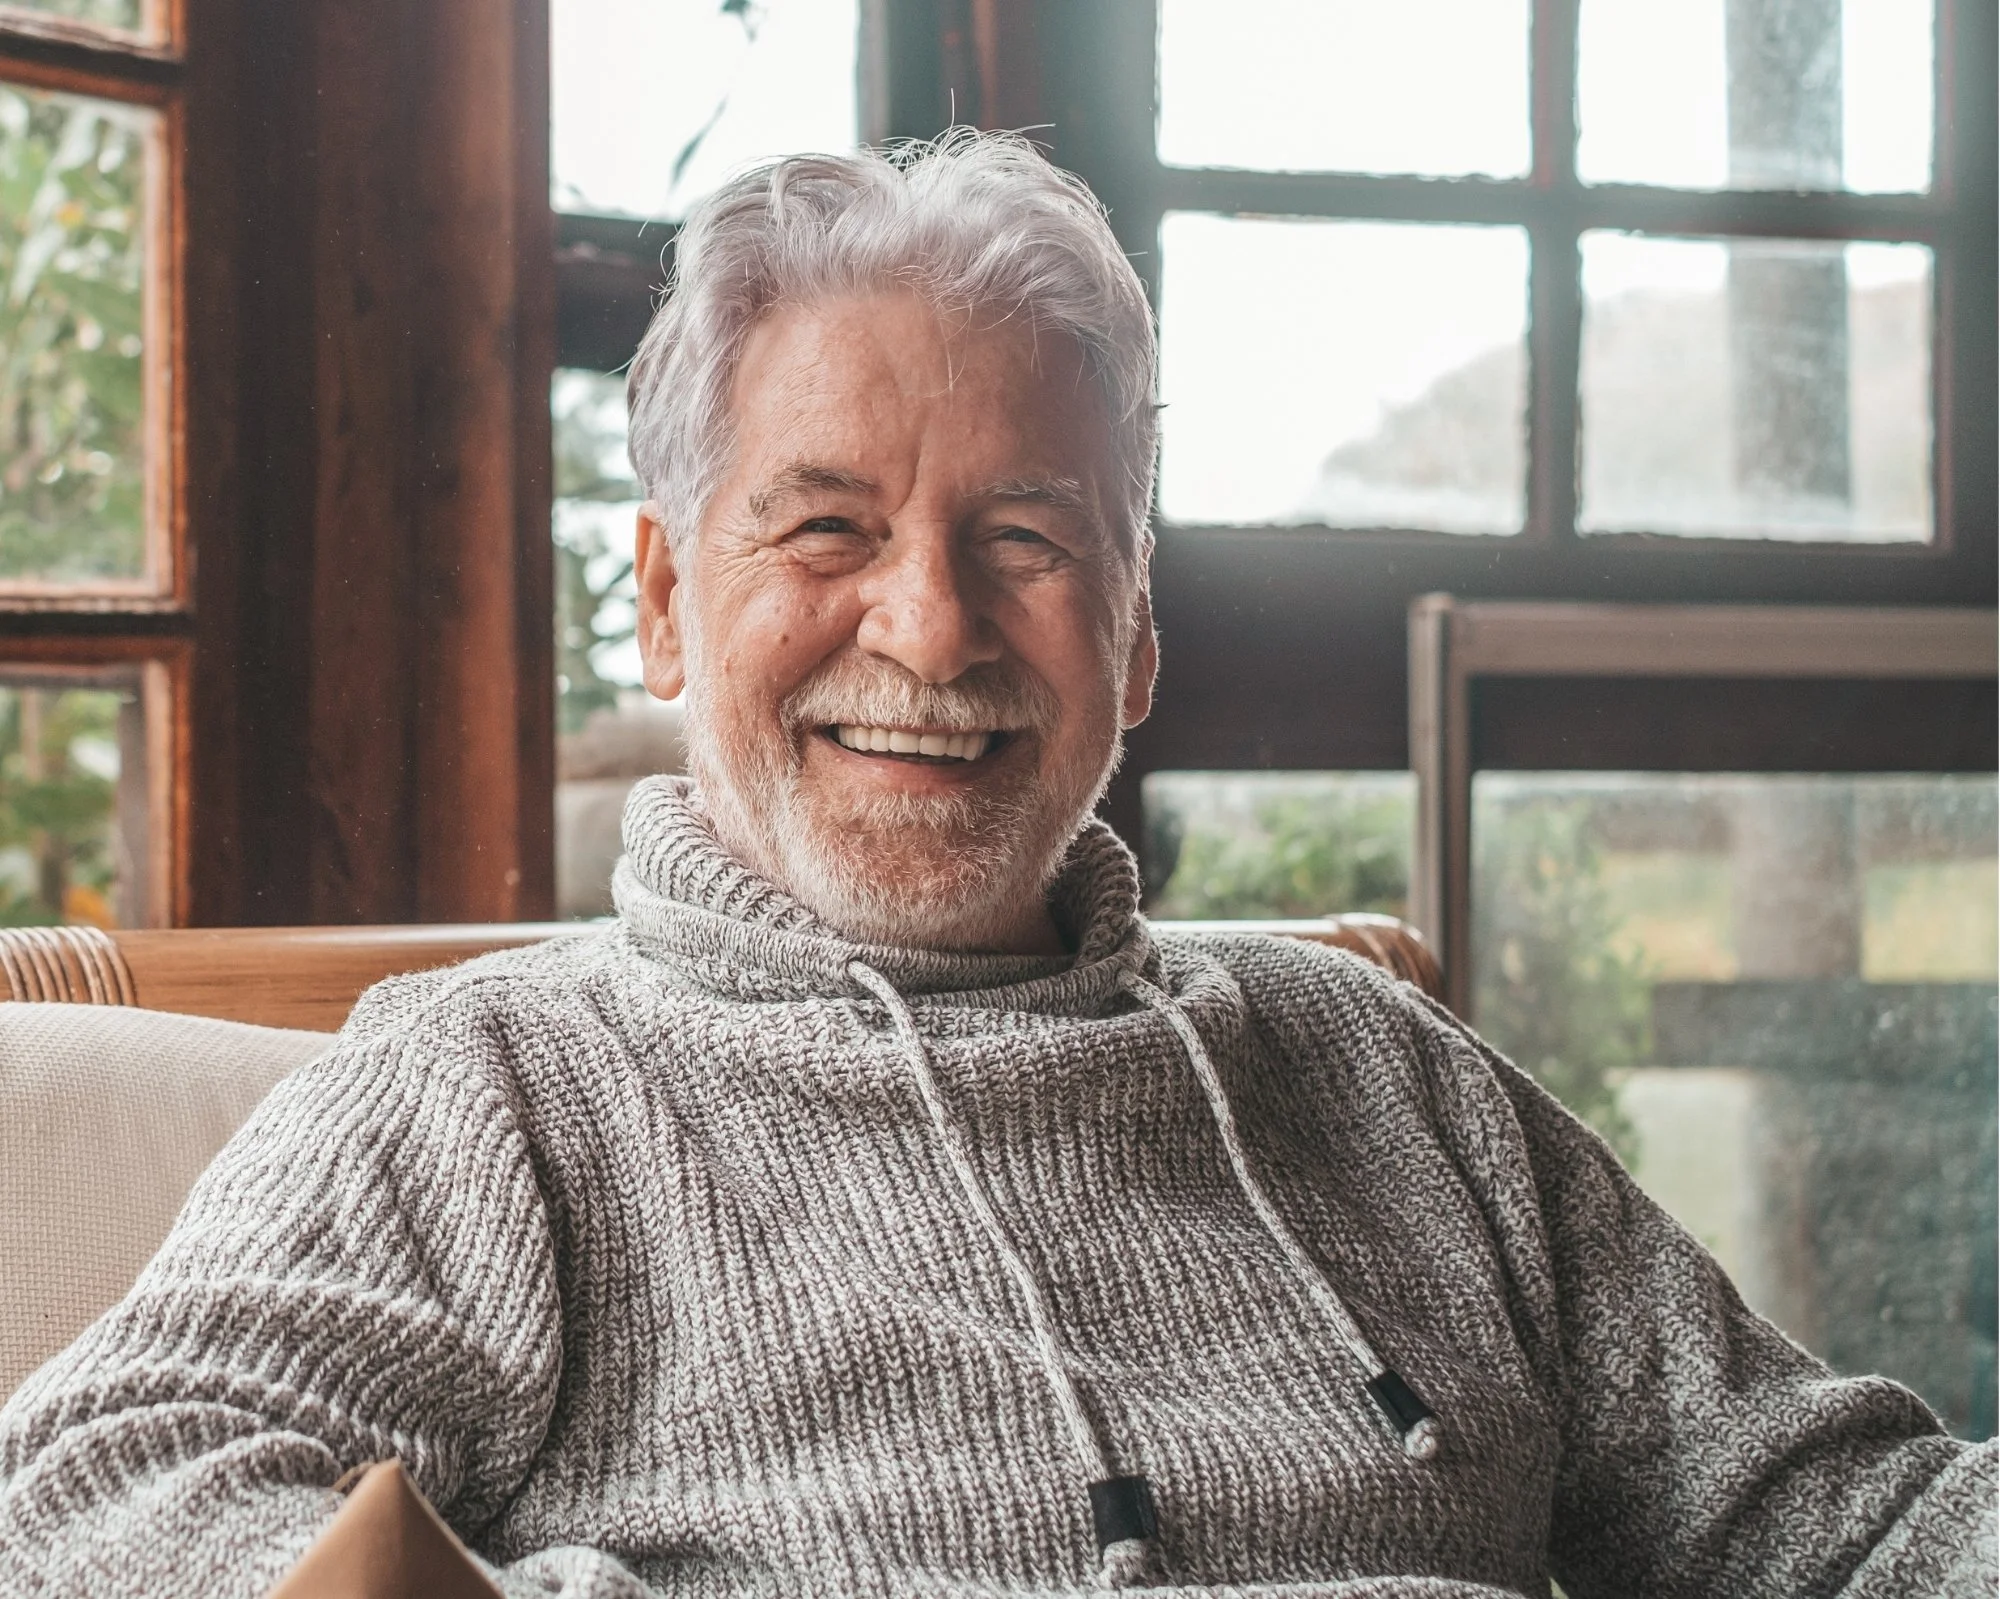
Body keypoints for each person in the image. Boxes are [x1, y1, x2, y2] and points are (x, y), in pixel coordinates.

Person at [0, 131, 1990, 1599]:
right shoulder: (492, 1085)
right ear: (671, 599)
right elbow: (97, 1497)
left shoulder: (1376, 1067)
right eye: (829, 529)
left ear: (1136, 635)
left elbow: (1845, 1525)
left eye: (1026, 541)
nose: (932, 627)